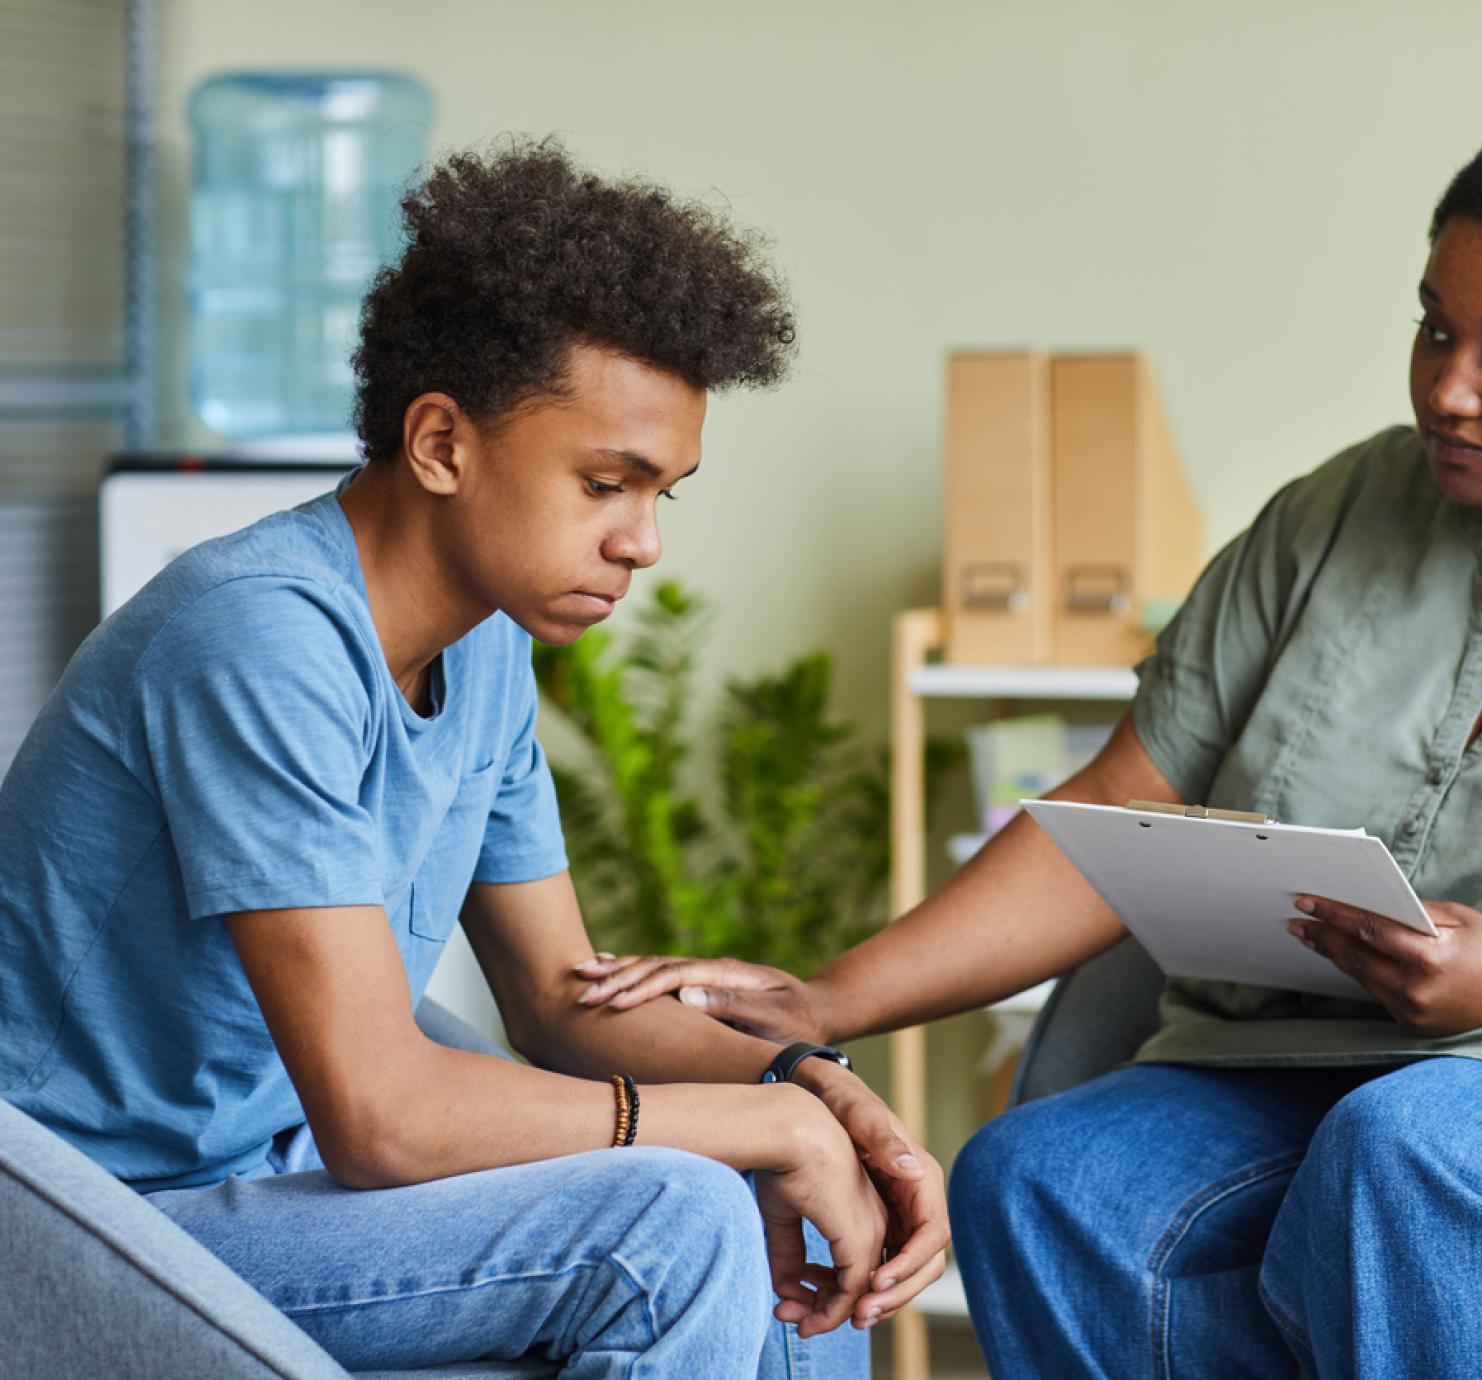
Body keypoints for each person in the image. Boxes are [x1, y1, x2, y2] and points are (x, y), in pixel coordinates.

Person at [570, 70, 1482, 1378]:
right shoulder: (1337, 515)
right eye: (1435, 326)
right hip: (1309, 1076)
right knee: (1035, 1176)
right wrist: (833, 1001)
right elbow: (1121, 807)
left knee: (1413, 1150)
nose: (1447, 385)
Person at [0, 142, 950, 1378]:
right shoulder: (256, 639)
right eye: (606, 483)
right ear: (441, 444)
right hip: (86, 1219)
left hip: (263, 1175)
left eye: (664, 493)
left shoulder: (485, 646)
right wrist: (747, 1125)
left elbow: (557, 997)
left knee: (804, 1236)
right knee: (677, 1224)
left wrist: (812, 1088)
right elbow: (381, 1117)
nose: (643, 543)